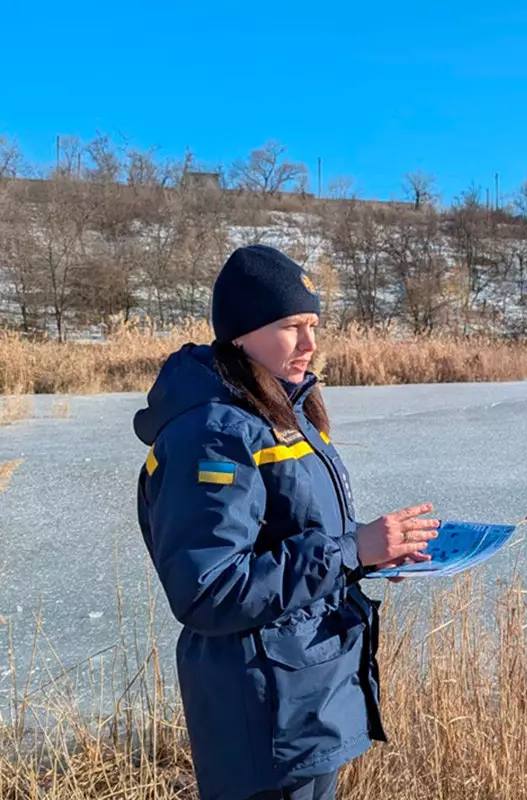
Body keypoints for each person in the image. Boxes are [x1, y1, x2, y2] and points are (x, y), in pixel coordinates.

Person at [134, 244, 439, 800]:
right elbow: (210, 590)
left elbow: (293, 543)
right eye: (291, 325)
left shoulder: (279, 411)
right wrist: (349, 553)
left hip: (305, 701)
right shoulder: (214, 434)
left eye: (314, 324)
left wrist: (366, 554)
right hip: (261, 716)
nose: (310, 343)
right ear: (242, 333)